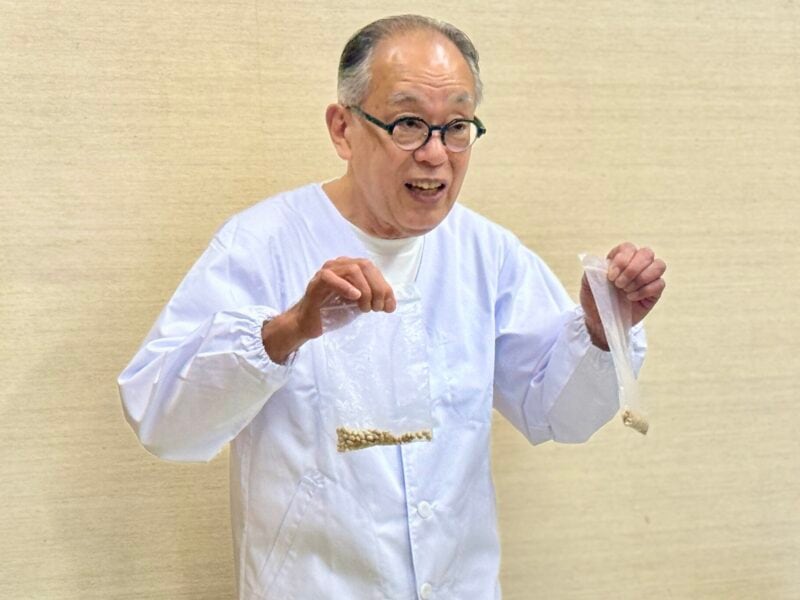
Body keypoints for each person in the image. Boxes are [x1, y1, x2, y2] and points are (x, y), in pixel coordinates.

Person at [118, 14, 666, 600]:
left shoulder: (487, 252)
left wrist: (601, 331)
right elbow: (162, 421)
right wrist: (286, 331)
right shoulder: (262, 243)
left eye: (456, 127)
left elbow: (558, 415)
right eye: (408, 124)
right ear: (343, 129)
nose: (435, 154)